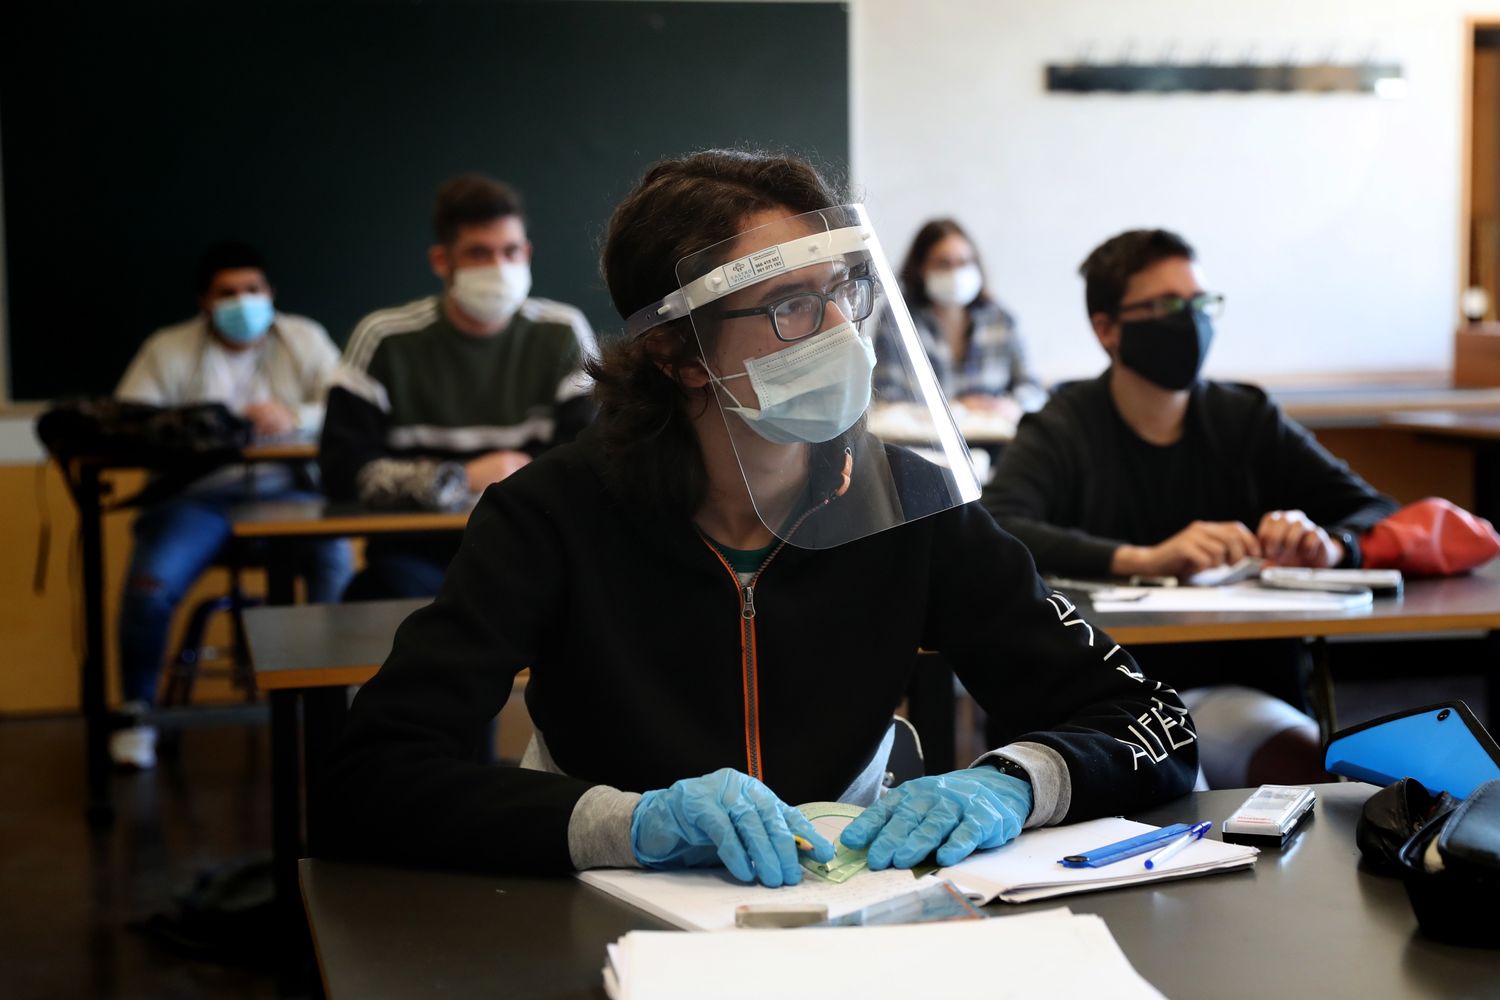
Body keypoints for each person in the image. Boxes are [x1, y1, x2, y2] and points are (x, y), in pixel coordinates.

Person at [318, 151, 1196, 886]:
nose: (839, 336)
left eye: (842, 293)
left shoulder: (907, 503)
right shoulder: (549, 515)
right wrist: (627, 824)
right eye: (789, 308)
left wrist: (1015, 781)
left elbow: (1155, 724)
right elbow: (374, 774)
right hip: (610, 912)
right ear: (676, 351)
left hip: (850, 906)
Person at [983, 228, 1398, 786]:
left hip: (1231, 686)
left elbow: (1378, 512)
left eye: (1201, 304)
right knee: (1174, 791)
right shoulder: (1064, 425)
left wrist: (1329, 544)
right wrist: (1144, 558)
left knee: (1317, 768)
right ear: (1106, 329)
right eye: (1166, 307)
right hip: (1106, 698)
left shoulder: (1246, 418)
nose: (1191, 321)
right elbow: (998, 527)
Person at [113, 240, 353, 769]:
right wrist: (202, 426)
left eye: (253, 290)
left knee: (334, 555)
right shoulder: (167, 348)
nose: (243, 301)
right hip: (199, 499)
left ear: (270, 294)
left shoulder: (304, 338)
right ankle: (136, 716)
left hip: (289, 492)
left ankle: (335, 711)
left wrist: (292, 415)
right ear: (204, 300)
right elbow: (133, 418)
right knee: (149, 587)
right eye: (228, 293)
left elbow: (345, 404)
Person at [320, 174, 597, 600]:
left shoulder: (563, 331)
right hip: (415, 556)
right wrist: (459, 478)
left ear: (527, 253)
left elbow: (590, 456)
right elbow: (342, 469)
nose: (499, 267)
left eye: (510, 251)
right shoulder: (383, 337)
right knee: (376, 599)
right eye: (478, 254)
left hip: (531, 545)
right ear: (440, 261)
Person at [874, 218, 1045, 422]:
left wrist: (1008, 406)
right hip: (927, 445)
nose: (955, 273)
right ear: (920, 269)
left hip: (996, 441)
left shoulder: (1001, 320)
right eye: (943, 264)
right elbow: (887, 400)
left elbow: (1033, 389)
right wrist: (958, 409)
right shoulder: (896, 322)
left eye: (964, 263)